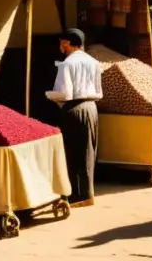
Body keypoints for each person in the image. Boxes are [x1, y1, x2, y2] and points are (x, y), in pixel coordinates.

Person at [46, 29, 102, 208]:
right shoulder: (93, 62)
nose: (60, 47)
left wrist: (49, 95)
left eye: (62, 43)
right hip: (92, 108)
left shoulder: (67, 64)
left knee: (74, 153)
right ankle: (87, 193)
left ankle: (78, 196)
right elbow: (99, 92)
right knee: (89, 151)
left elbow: (65, 93)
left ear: (66, 43)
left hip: (74, 110)